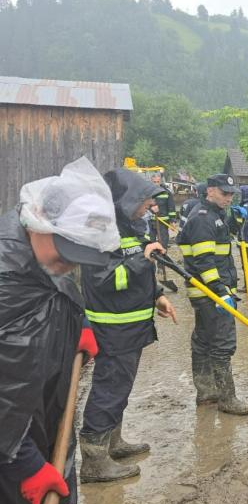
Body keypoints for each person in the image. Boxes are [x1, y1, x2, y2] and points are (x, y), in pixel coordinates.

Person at [0, 157, 120, 504]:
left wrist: (76, 325)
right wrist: (27, 465)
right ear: (38, 221)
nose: (70, 264)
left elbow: (59, 292)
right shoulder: (6, 281)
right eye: (67, 252)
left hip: (44, 420)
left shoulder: (40, 258)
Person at [78, 168, 178, 484]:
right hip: (114, 328)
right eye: (145, 200)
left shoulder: (130, 226)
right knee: (109, 390)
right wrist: (142, 261)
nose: (151, 206)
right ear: (126, 199)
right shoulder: (98, 230)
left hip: (132, 325)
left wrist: (157, 295)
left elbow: (137, 270)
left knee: (121, 387)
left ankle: (113, 443)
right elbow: (105, 279)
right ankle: (94, 460)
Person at [177, 174, 248, 415]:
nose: (229, 198)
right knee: (222, 344)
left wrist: (235, 224)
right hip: (210, 292)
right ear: (210, 191)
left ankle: (207, 393)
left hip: (205, 292)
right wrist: (221, 292)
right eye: (224, 193)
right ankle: (227, 399)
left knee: (203, 341)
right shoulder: (203, 219)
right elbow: (204, 261)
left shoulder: (213, 216)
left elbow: (218, 246)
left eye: (231, 194)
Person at [150, 173, 177, 248]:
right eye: (154, 182)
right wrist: (150, 208)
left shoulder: (166, 192)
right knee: (150, 241)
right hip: (150, 223)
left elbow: (171, 208)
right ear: (151, 181)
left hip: (163, 222)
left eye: (157, 182)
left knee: (163, 241)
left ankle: (163, 255)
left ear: (160, 182)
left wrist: (173, 221)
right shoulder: (147, 192)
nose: (156, 184)